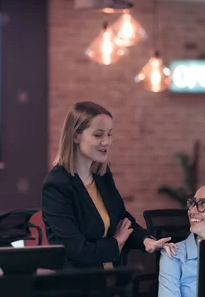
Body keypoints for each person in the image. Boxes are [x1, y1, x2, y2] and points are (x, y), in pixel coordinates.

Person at [42, 101, 173, 268]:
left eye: (109, 134)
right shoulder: (57, 185)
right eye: (98, 135)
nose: (107, 142)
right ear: (75, 136)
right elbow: (76, 251)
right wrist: (116, 241)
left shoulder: (101, 175)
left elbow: (122, 220)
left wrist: (147, 241)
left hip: (112, 280)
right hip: (79, 287)